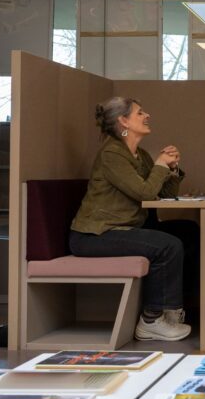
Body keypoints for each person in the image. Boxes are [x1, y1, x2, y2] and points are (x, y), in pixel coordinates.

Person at [69, 97, 197, 341]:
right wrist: (160, 165)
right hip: (95, 235)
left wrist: (172, 168)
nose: (147, 115)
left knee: (187, 231)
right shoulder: (112, 154)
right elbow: (145, 193)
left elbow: (164, 195)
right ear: (123, 121)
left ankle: (173, 309)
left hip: (124, 229)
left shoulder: (141, 155)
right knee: (168, 245)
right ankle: (151, 320)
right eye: (140, 113)